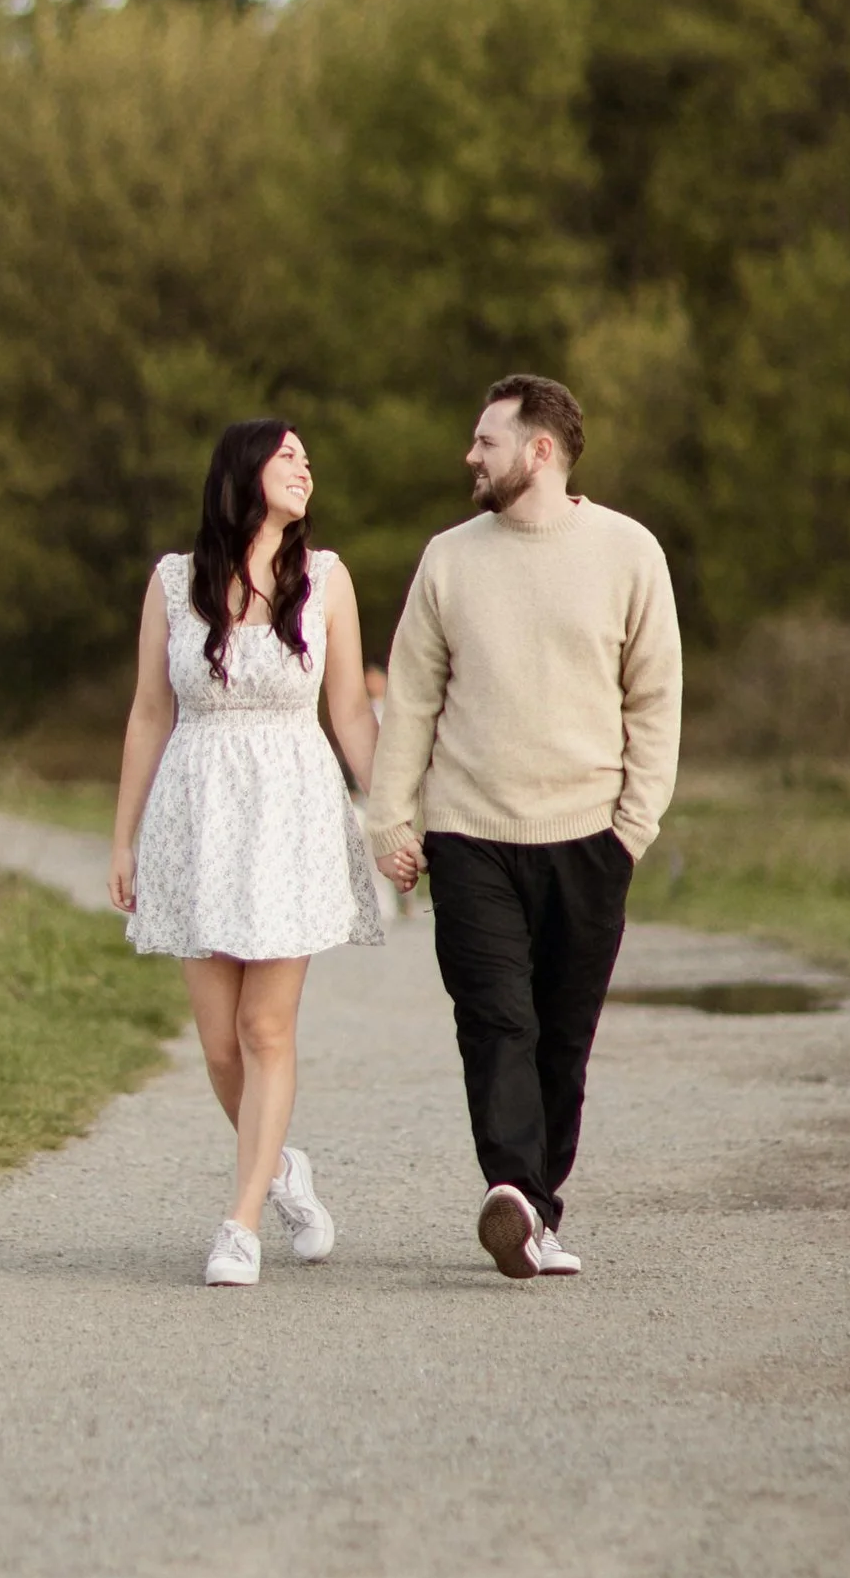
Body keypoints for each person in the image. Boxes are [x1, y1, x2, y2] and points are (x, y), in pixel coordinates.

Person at [365, 374, 681, 1280]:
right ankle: (510, 1186)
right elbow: (413, 700)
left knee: (562, 1033)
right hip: (470, 836)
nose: (470, 455)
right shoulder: (448, 560)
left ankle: (537, 1208)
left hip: (590, 837)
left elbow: (656, 698)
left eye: (487, 441)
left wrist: (633, 827)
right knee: (496, 1018)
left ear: (540, 450)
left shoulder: (629, 552)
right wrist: (391, 818)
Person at [109, 420, 387, 1285]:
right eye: (289, 454)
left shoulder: (328, 581)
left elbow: (347, 714)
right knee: (220, 1045)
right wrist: (122, 836)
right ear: (243, 470)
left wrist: (392, 817)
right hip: (196, 814)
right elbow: (150, 712)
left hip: (292, 812)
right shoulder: (173, 582)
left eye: (310, 456)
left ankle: (240, 1224)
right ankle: (281, 1171)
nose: (307, 467)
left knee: (265, 1027)